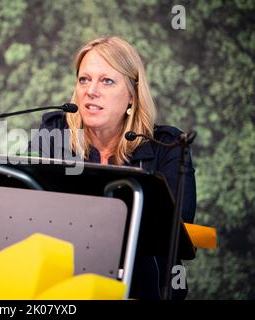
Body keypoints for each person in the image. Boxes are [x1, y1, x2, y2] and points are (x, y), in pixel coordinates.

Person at [29, 36, 196, 300]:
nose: (91, 90)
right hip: (65, 288)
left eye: (107, 81)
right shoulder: (56, 134)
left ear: (131, 95)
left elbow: (178, 233)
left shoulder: (167, 147)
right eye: (84, 79)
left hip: (143, 286)